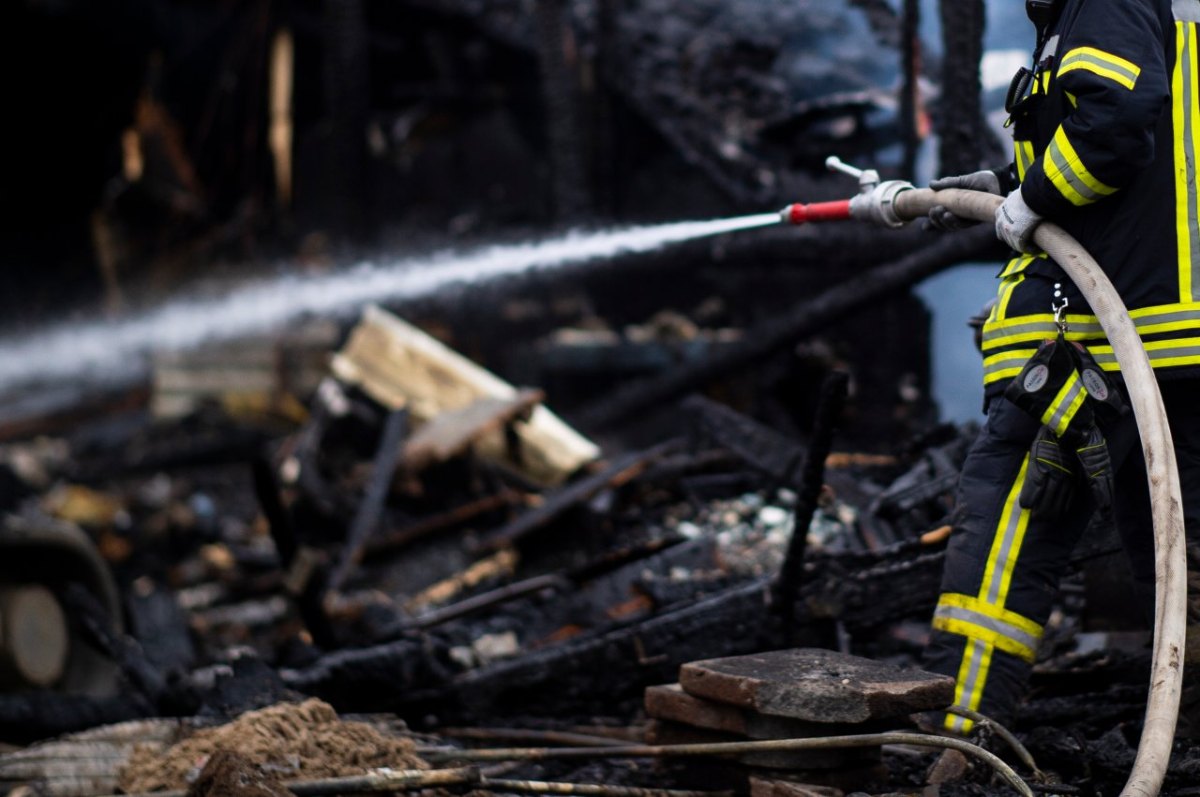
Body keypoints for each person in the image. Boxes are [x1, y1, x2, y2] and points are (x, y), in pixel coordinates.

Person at [922, 0, 1200, 733]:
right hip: (1151, 343)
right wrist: (1006, 183)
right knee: (1178, 569)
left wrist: (1036, 198)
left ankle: (959, 739)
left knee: (1001, 550)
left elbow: (1114, 121)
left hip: (1109, 340)